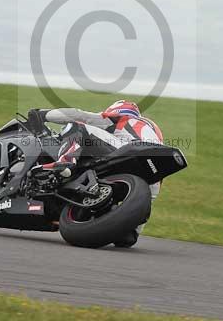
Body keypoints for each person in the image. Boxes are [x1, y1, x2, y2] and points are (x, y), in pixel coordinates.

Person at [27, 100, 163, 246]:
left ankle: (65, 162)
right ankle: (131, 231)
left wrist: (43, 114)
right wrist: (133, 228)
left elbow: (79, 115)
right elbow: (146, 198)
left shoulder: (121, 118)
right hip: (153, 172)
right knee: (131, 231)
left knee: (78, 126)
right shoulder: (150, 129)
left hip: (127, 150)